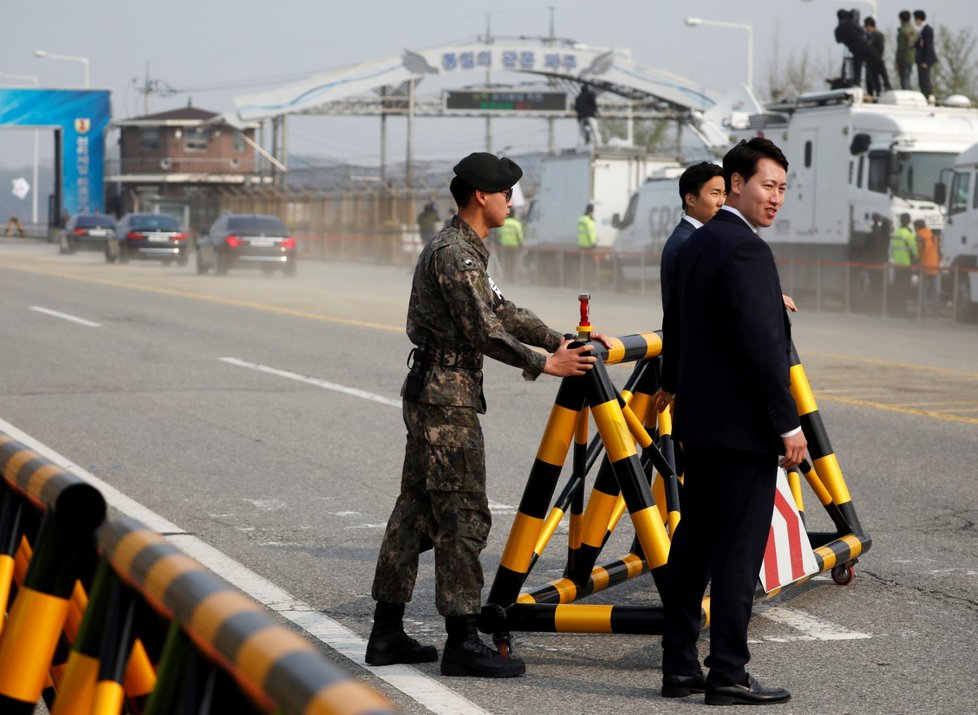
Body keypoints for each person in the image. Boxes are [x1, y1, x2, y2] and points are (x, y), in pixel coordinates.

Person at [367, 152, 611, 678]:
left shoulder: (466, 250)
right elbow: (484, 329)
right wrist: (547, 363)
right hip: (444, 400)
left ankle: (386, 632)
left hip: (438, 392)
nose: (512, 203)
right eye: (505, 194)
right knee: (463, 515)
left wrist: (558, 339)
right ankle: (462, 640)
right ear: (482, 196)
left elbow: (503, 310)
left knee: (414, 513)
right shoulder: (455, 254)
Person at [652, 138, 806, 706]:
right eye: (768, 185)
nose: (776, 198)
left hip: (702, 424)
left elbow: (677, 325)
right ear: (736, 182)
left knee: (693, 545)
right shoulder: (746, 249)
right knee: (738, 554)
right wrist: (787, 425)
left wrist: (674, 386)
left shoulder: (695, 242)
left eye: (783, 188)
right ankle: (728, 673)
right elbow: (764, 347)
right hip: (743, 431)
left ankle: (679, 667)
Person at [660, 163, 726, 317]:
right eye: (715, 194)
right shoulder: (688, 243)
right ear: (690, 199)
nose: (722, 202)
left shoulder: (697, 238)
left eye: (725, 194)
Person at [889, 212, 918, 316]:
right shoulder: (908, 234)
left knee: (897, 287)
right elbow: (914, 249)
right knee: (905, 288)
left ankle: (896, 309)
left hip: (897, 265)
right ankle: (903, 310)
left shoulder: (896, 233)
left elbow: (891, 250)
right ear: (909, 221)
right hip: (906, 265)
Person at [834, 9, 869, 87]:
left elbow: (838, 39)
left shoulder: (841, 27)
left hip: (858, 50)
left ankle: (856, 83)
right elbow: (862, 31)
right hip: (860, 49)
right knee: (861, 67)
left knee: (859, 68)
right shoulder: (850, 24)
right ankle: (857, 83)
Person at [914, 218, 941, 316]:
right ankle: (935, 312)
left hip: (924, 267)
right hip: (935, 267)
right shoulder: (933, 235)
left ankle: (923, 312)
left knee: (923, 291)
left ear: (916, 227)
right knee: (935, 292)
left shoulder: (919, 236)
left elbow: (918, 251)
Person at [863, 17, 893, 97]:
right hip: (869, 62)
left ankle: (882, 92)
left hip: (877, 60)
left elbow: (880, 48)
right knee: (870, 81)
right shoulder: (865, 37)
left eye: (868, 27)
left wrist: (871, 50)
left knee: (881, 78)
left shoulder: (879, 35)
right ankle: (871, 94)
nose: (867, 29)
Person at [914, 10, 938, 101]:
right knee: (921, 79)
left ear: (919, 19)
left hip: (925, 60)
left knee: (925, 79)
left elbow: (928, 46)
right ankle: (925, 95)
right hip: (920, 59)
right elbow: (920, 44)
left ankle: (929, 96)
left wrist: (926, 61)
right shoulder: (922, 30)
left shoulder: (927, 30)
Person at [495, 213, 524, 281]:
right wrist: (521, 243)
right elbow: (520, 235)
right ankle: (512, 278)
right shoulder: (516, 223)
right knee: (513, 262)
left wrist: (499, 242)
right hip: (514, 246)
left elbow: (499, 235)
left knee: (506, 262)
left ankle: (506, 277)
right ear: (514, 215)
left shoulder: (504, 223)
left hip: (504, 246)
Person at [896, 10, 918, 90]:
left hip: (903, 58)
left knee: (904, 79)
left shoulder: (903, 30)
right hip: (911, 57)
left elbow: (901, 47)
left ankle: (906, 93)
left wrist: (897, 61)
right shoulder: (913, 30)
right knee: (907, 78)